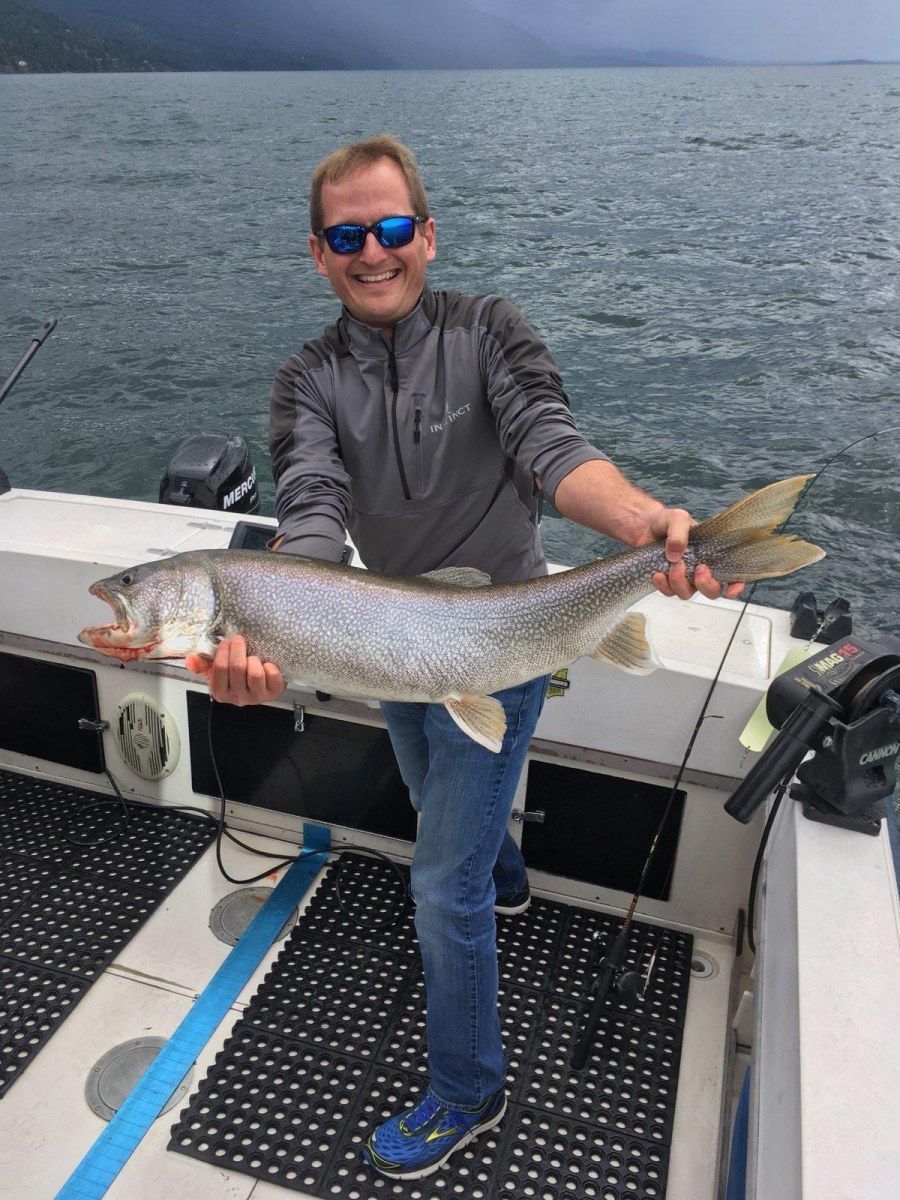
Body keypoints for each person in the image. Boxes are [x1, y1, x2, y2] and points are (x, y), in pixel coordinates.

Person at [186, 134, 742, 1180]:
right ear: (318, 254)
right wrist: (266, 621)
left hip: (506, 632)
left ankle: (469, 1092)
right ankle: (512, 879)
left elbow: (550, 444)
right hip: (388, 640)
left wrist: (641, 526)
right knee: (429, 785)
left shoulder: (490, 331)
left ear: (427, 237)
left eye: (393, 228)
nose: (374, 251)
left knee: (440, 884)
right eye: (348, 235)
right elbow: (309, 506)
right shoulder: (306, 378)